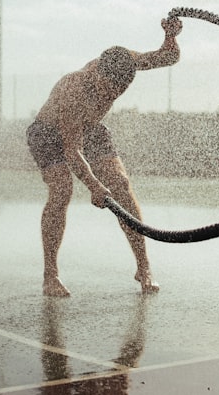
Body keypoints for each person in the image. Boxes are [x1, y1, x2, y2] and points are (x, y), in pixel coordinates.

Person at [26, 16, 182, 297]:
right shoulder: (74, 89)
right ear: (97, 73)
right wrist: (94, 185)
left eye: (119, 91)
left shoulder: (127, 61)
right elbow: (72, 150)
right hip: (48, 133)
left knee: (121, 185)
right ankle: (51, 275)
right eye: (107, 89)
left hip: (91, 128)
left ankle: (143, 267)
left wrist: (171, 35)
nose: (112, 95)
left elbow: (169, 57)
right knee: (62, 188)